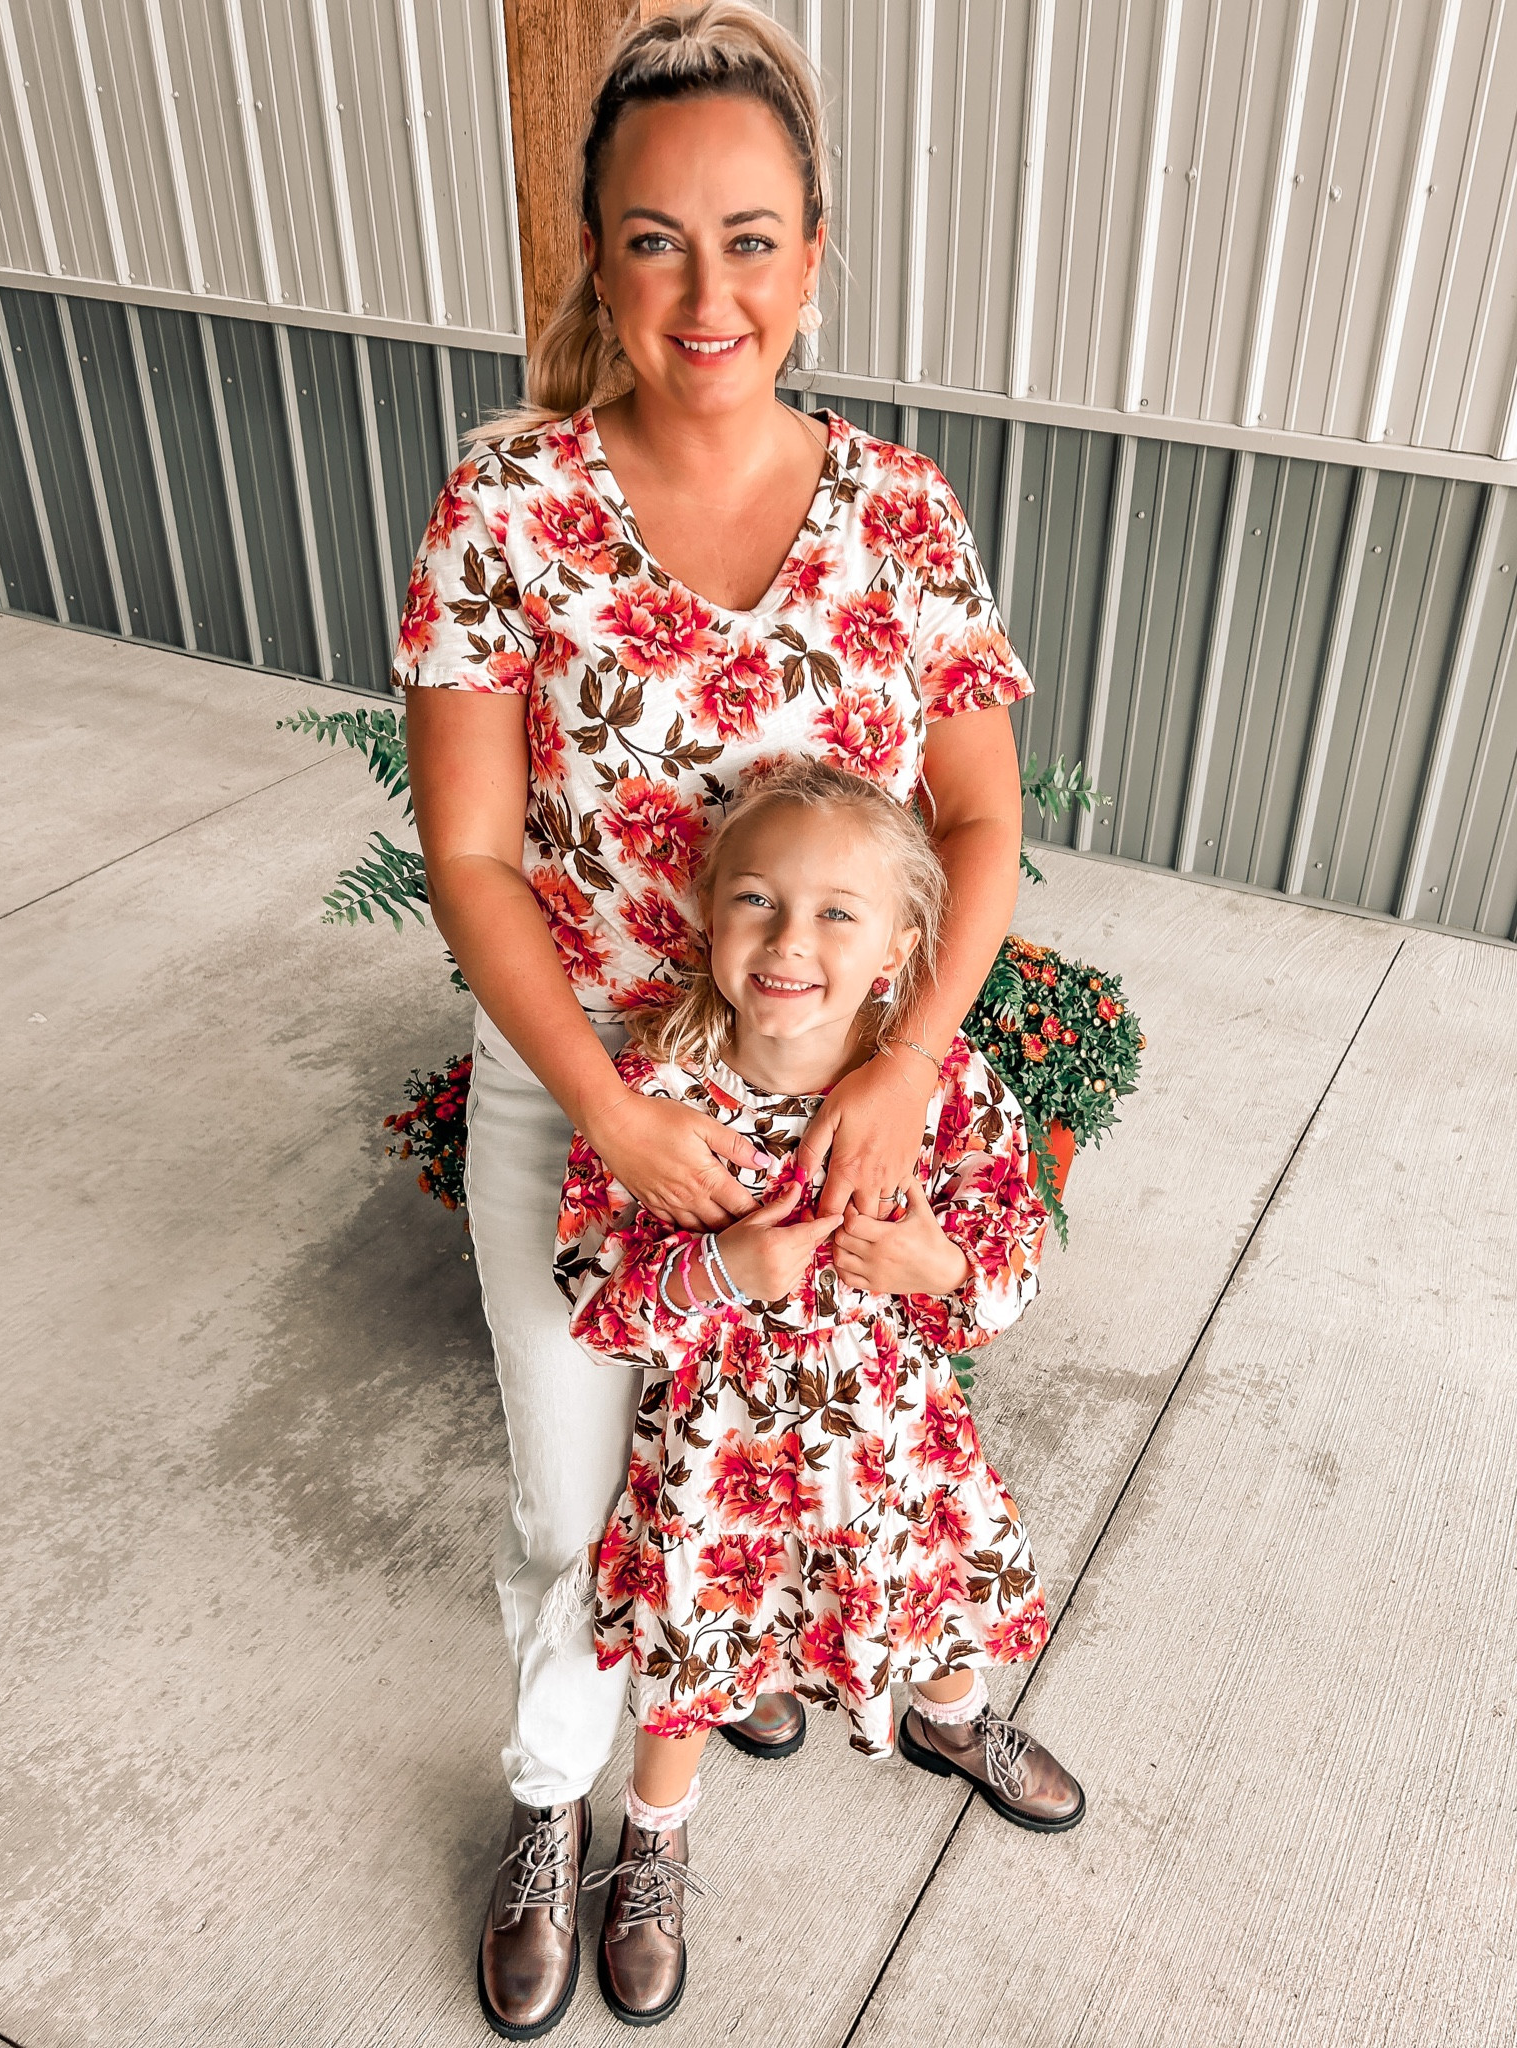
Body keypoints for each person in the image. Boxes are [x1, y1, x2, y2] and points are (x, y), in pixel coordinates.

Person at [397, 4, 1035, 2035]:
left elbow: (980, 819)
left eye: (751, 239)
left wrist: (908, 1062)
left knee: (799, 1460)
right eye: (657, 240)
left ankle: (679, 1812)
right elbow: (472, 854)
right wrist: (610, 1105)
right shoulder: (507, 507)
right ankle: (551, 1798)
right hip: (584, 1099)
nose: (706, 293)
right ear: (597, 256)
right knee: (571, 1498)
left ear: (812, 257)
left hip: (837, 1105)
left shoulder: (900, 513)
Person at [555, 762, 1083, 2027]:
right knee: (694, 1652)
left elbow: (1009, 1266)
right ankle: (653, 1837)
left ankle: (955, 1719)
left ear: (902, 943)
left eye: (839, 912)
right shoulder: (658, 1098)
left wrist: (934, 1265)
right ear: (706, 911)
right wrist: (721, 1268)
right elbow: (594, 1297)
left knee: (917, 1592)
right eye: (757, 899)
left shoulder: (944, 1091)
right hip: (714, 1462)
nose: (791, 940)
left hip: (889, 1447)